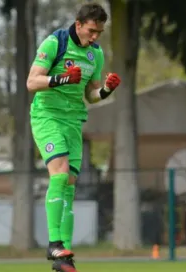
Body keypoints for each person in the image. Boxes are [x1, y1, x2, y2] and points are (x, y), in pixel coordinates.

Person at [26, 3, 121, 272]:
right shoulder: (55, 42)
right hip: (47, 117)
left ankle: (63, 259)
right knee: (59, 174)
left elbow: (91, 95)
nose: (95, 37)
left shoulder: (96, 54)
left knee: (68, 183)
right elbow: (32, 82)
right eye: (91, 31)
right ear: (78, 24)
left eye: (99, 33)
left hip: (73, 121)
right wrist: (63, 79)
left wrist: (106, 91)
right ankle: (54, 242)